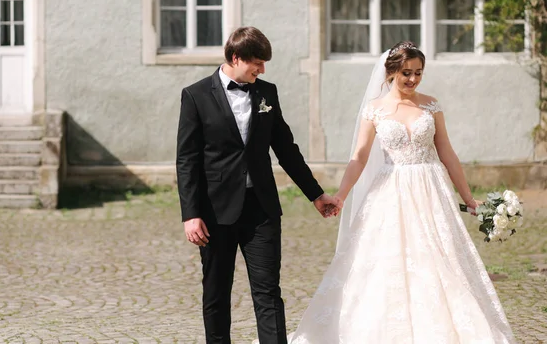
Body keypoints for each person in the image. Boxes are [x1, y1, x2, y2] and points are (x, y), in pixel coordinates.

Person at [286, 41, 516, 343]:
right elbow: (359, 157)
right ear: (392, 71)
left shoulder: (430, 105)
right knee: (385, 262)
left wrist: (468, 198)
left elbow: (447, 154)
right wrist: (341, 195)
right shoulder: (375, 110)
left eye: (418, 73)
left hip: (430, 192)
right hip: (390, 192)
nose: (412, 80)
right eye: (407, 73)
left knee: (440, 260)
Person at [176, 26, 342, 344]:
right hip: (214, 212)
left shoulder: (268, 93)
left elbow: (286, 150)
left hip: (261, 210)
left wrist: (316, 194)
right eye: (257, 63)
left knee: (268, 293)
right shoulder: (195, 96)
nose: (262, 69)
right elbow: (186, 160)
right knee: (216, 293)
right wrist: (190, 214)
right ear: (236, 57)